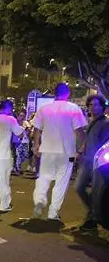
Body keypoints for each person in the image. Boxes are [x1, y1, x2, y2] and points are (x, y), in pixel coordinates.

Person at [32, 83, 88, 221]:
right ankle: (53, 212)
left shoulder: (44, 109)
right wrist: (82, 148)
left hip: (47, 150)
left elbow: (36, 130)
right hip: (66, 151)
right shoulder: (74, 108)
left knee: (44, 177)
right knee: (61, 182)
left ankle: (39, 200)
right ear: (67, 93)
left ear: (54, 93)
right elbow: (80, 131)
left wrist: (37, 145)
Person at [74, 95, 109, 230]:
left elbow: (104, 144)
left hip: (98, 164)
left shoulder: (105, 124)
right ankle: (94, 214)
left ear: (102, 107)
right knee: (79, 187)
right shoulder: (91, 122)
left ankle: (93, 218)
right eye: (90, 105)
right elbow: (88, 140)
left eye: (95, 104)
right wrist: (80, 152)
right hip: (86, 161)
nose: (92, 107)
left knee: (95, 192)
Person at [13, 110, 32, 175]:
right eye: (21, 115)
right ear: (18, 116)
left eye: (23, 116)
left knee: (25, 155)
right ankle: (17, 169)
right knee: (18, 155)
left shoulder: (26, 123)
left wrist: (28, 131)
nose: (22, 117)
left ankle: (16, 167)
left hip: (25, 141)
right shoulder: (15, 123)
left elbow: (29, 131)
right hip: (17, 141)